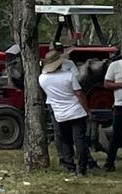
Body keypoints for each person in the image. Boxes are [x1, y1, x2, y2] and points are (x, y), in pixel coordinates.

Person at [39, 47, 92, 177]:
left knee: (65, 140)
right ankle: (82, 168)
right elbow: (79, 94)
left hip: (60, 113)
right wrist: (87, 110)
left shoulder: (42, 79)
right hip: (76, 111)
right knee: (79, 140)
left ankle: (69, 166)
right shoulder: (69, 76)